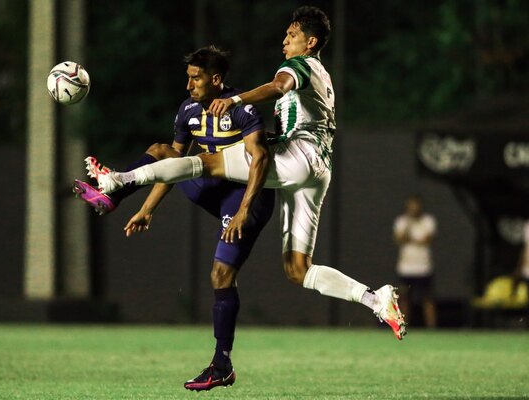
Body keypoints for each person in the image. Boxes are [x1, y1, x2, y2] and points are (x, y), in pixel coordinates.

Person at [84, 3, 406, 383]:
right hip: (318, 170)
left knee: (207, 162)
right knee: (297, 269)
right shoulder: (322, 73)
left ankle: (118, 181)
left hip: (297, 156)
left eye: (292, 35)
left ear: (311, 41)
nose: (285, 39)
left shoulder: (299, 67)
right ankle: (375, 299)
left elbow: (278, 86)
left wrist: (237, 100)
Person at [73, 46, 275, 391]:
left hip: (245, 199)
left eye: (195, 78)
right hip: (210, 187)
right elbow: (172, 168)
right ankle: (113, 195)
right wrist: (148, 208)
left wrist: (243, 210)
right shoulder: (189, 111)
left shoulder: (242, 108)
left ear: (216, 79)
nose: (189, 85)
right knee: (161, 150)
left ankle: (221, 363)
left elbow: (260, 159)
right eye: (188, 78)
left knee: (221, 274)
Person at [393, 195, 437, 328]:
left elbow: (427, 240)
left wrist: (410, 239)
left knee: (427, 298)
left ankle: (431, 327)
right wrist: (409, 225)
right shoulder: (402, 221)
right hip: (406, 267)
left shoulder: (428, 221)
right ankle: (403, 325)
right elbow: (399, 239)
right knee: (405, 298)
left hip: (424, 267)